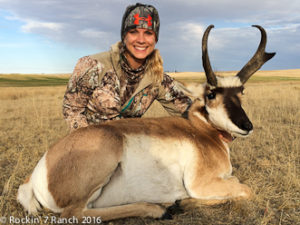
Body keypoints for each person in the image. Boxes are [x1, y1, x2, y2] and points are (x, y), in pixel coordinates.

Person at [63, 3, 192, 132]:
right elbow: (72, 110)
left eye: (148, 33)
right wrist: (88, 145)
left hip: (129, 147)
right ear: (124, 36)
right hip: (90, 146)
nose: (141, 40)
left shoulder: (157, 79)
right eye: (133, 32)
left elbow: (191, 111)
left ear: (155, 39)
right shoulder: (93, 65)